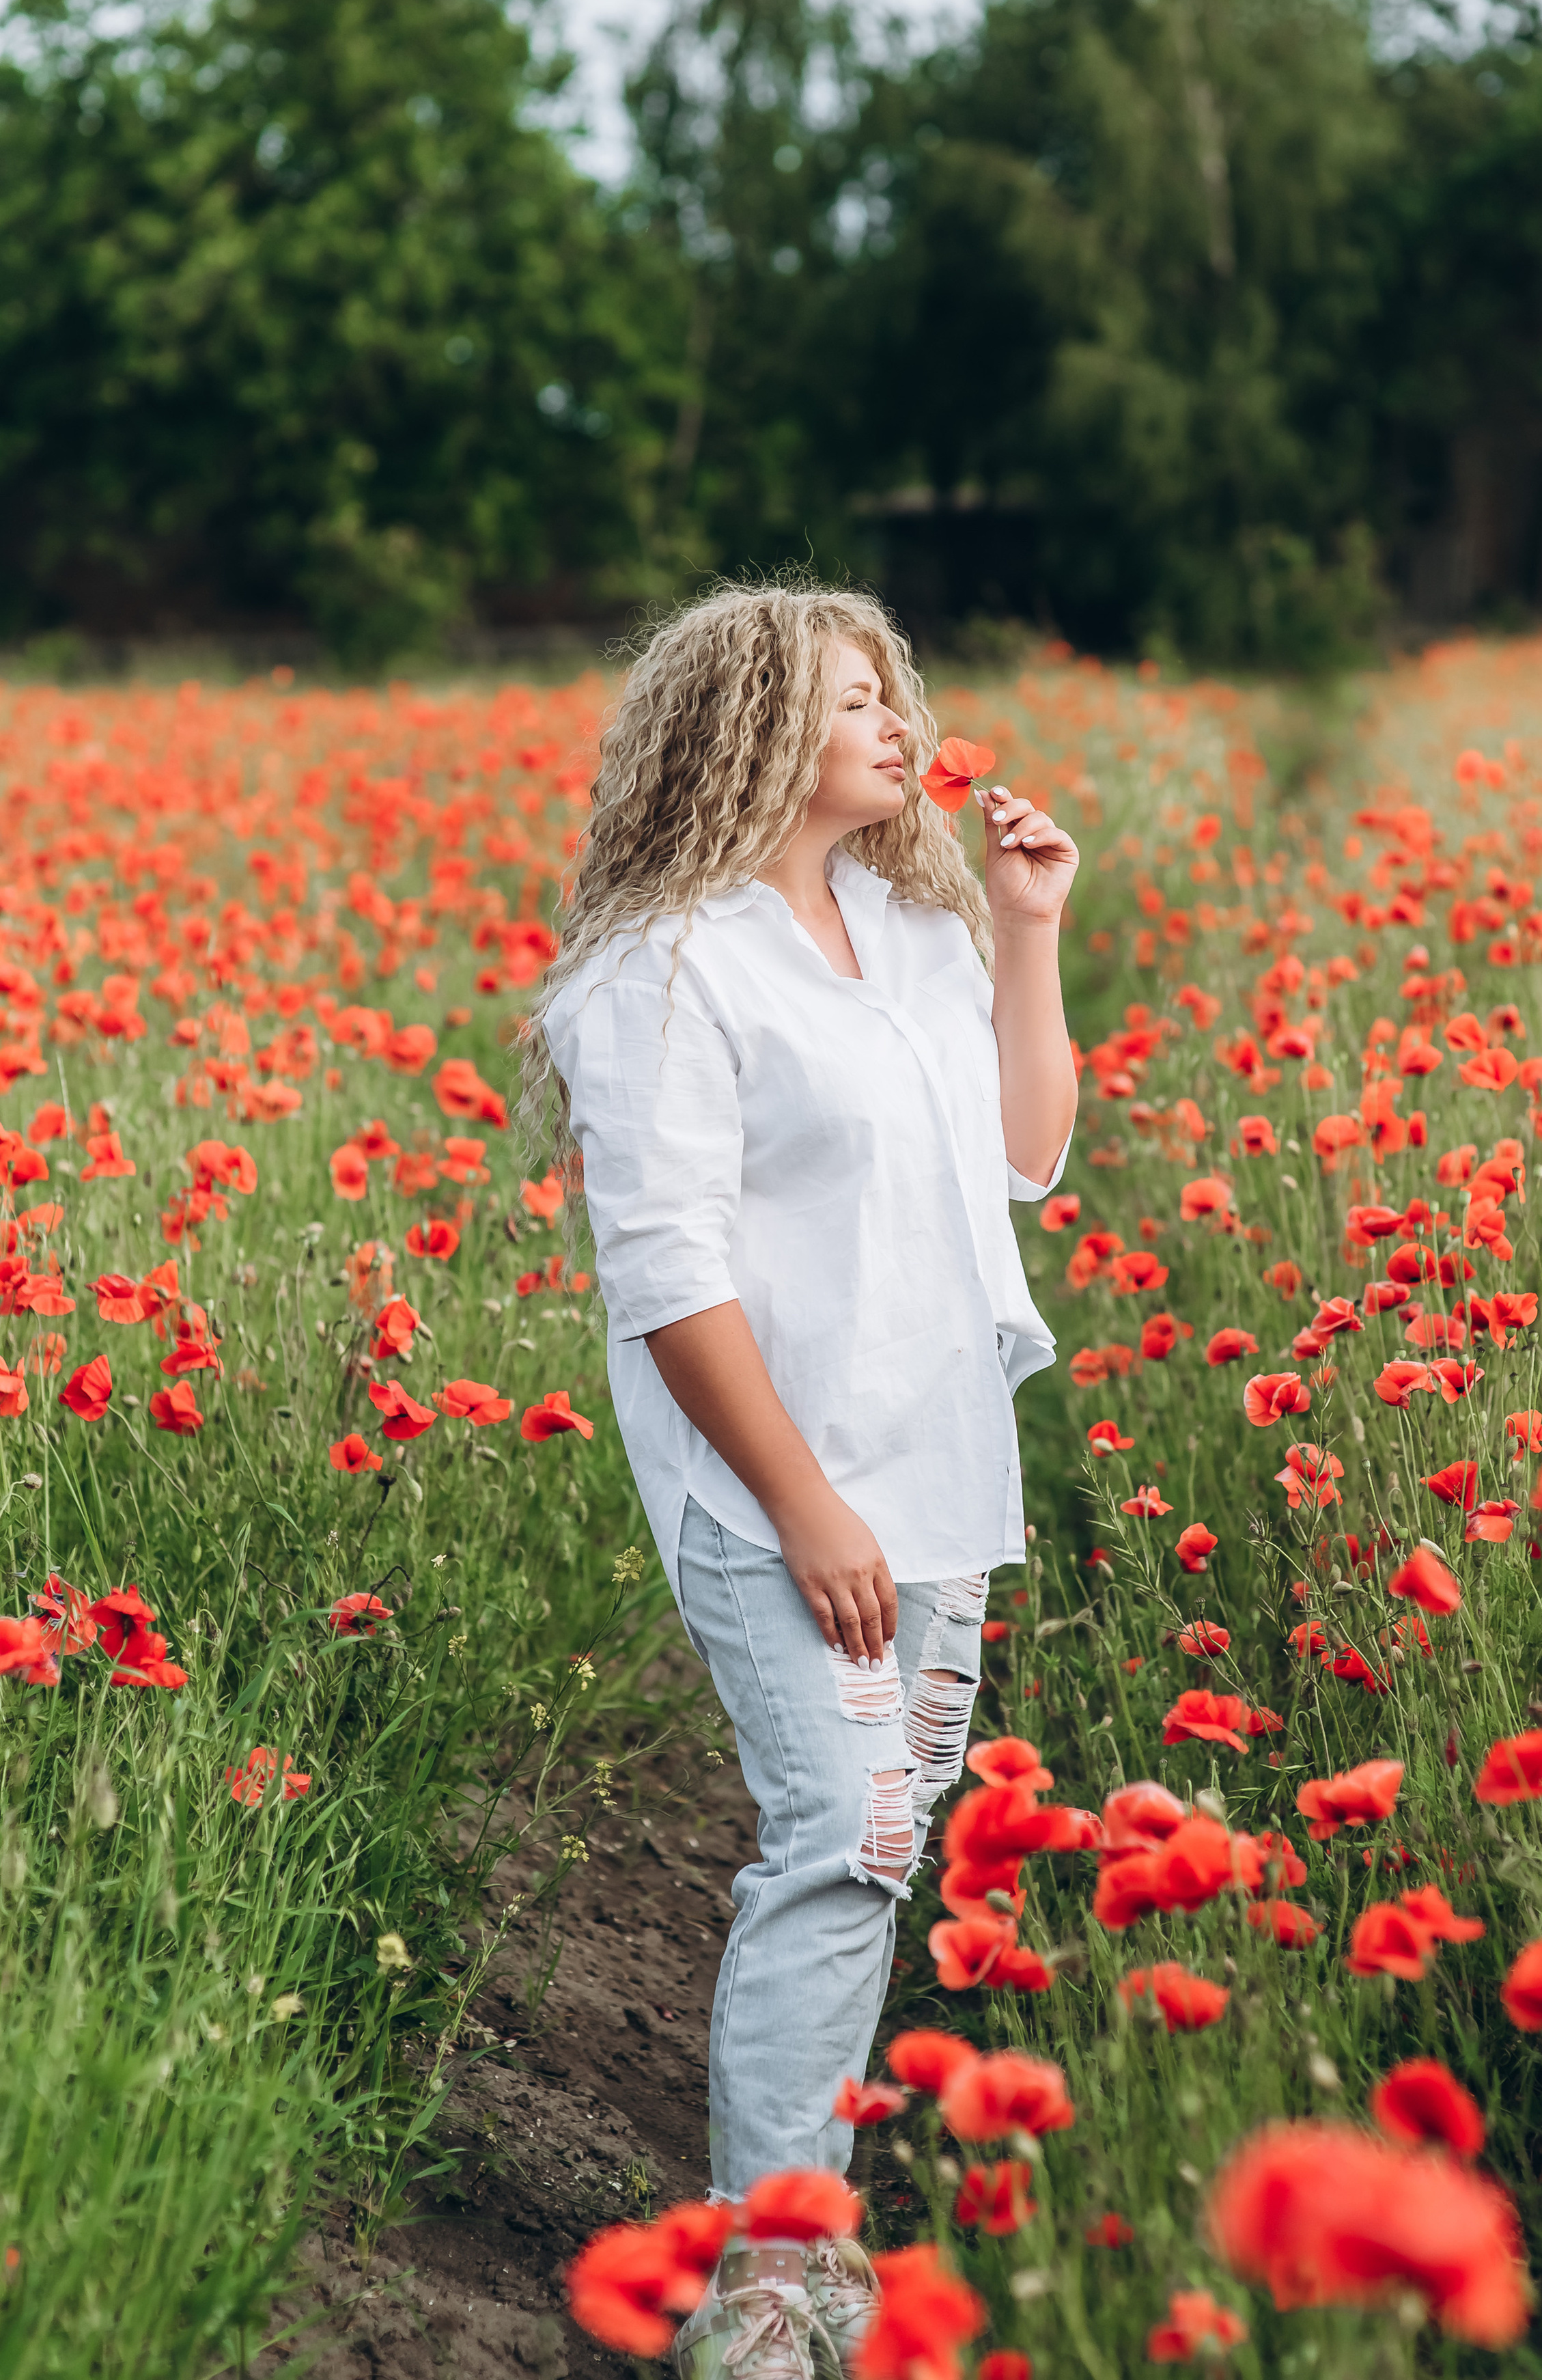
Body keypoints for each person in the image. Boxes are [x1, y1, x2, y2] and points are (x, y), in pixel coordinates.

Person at [525, 583, 1077, 2379]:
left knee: (884, 1845)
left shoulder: (906, 932)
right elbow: (667, 1270)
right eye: (852, 697)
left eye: (895, 691)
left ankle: (808, 2231)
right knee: (838, 1835)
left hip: (938, 1472)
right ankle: (768, 2281)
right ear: (748, 729)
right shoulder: (665, 965)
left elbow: (1028, 1152)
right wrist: (807, 1505)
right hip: (784, 1493)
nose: (895, 723)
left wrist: (1024, 924)